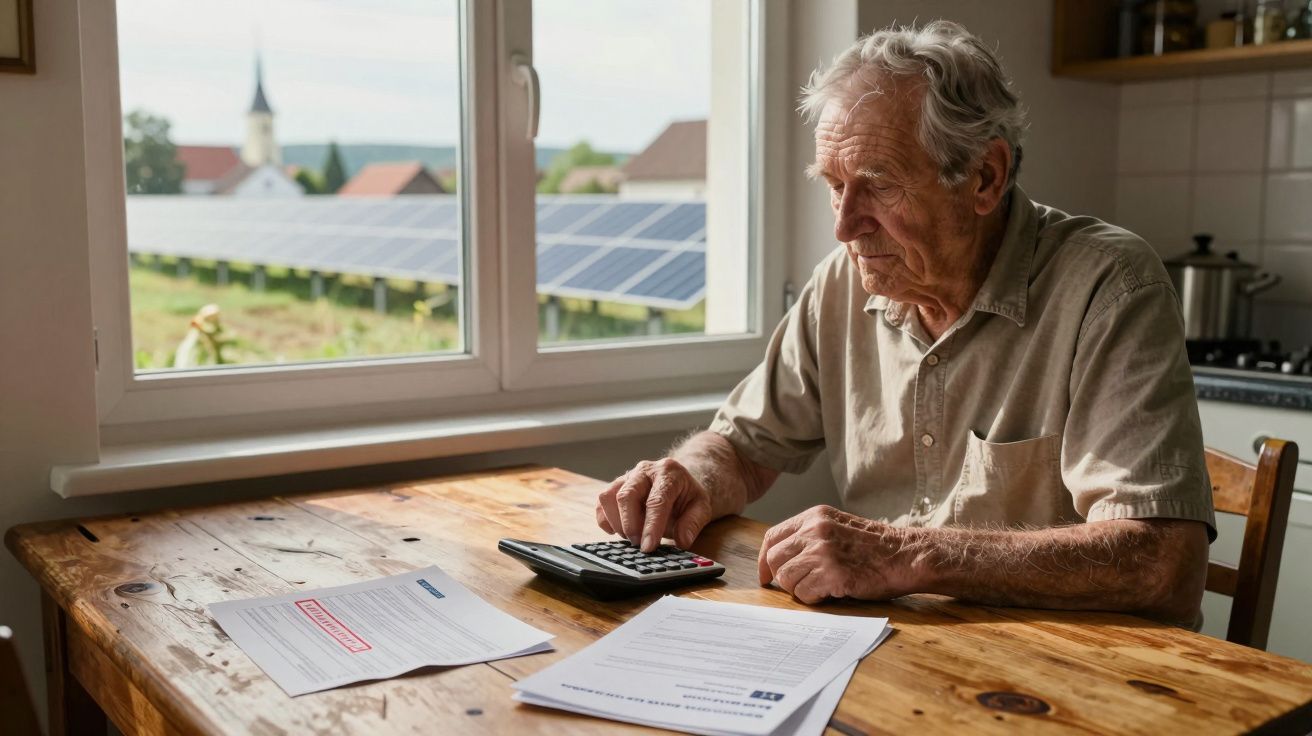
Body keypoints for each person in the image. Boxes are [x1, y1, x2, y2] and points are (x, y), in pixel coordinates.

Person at [594, 21, 1216, 626]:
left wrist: (905, 554)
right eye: (835, 186)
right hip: (895, 659)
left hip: (1071, 675)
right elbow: (743, 448)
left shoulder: (1109, 286)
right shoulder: (843, 280)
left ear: (985, 177)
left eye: (879, 185)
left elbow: (1162, 562)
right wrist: (688, 476)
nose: (844, 225)